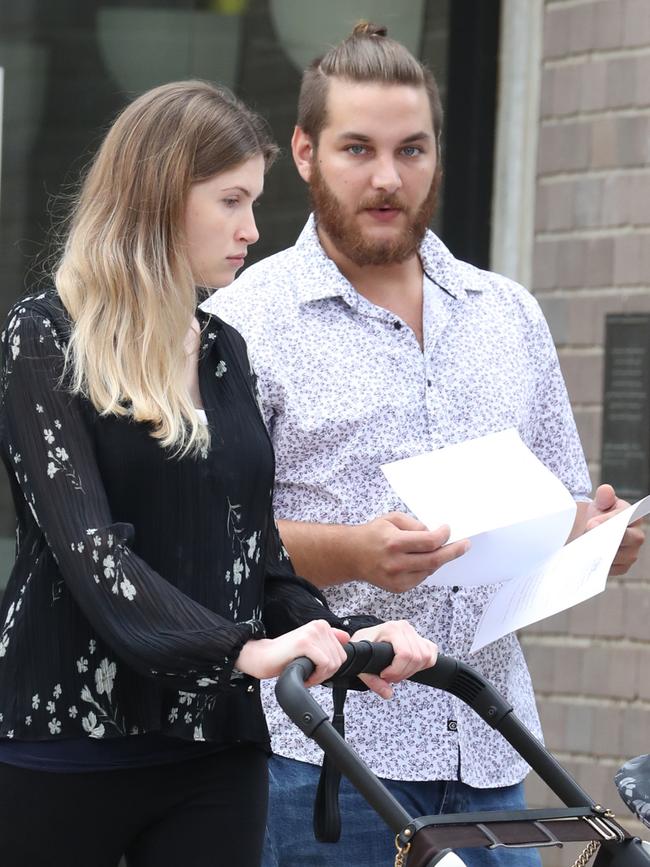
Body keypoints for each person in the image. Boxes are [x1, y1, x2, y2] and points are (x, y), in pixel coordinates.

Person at [204, 23, 646, 867]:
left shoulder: (507, 313)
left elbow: (551, 513)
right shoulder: (242, 322)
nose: (386, 177)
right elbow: (208, 542)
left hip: (489, 751)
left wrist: (590, 543)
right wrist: (352, 552)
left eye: (412, 150)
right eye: (357, 149)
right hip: (321, 766)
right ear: (303, 152)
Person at [0, 80, 439, 867]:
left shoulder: (222, 349)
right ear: (162, 196)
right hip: (65, 739)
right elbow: (93, 555)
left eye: (254, 201)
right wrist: (243, 649)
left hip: (214, 746)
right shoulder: (42, 337)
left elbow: (255, 551)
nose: (250, 228)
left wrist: (339, 635)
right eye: (231, 201)